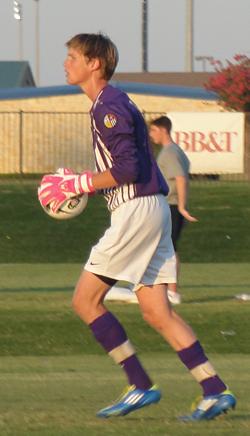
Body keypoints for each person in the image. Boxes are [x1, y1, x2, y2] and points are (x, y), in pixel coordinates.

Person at [38, 33, 236, 420]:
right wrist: (86, 184)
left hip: (136, 211)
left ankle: (140, 385)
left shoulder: (106, 105)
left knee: (85, 300)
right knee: (157, 312)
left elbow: (127, 169)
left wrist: (78, 184)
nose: (66, 63)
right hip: (153, 208)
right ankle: (214, 389)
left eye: (72, 56)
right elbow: (132, 166)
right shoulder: (113, 100)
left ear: (94, 63)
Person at [149, 116, 197, 305]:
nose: (151, 135)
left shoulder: (170, 153)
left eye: (153, 130)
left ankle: (172, 292)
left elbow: (180, 179)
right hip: (169, 206)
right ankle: (162, 288)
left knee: (169, 249)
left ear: (163, 130)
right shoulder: (174, 151)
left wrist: (182, 207)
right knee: (164, 248)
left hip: (171, 206)